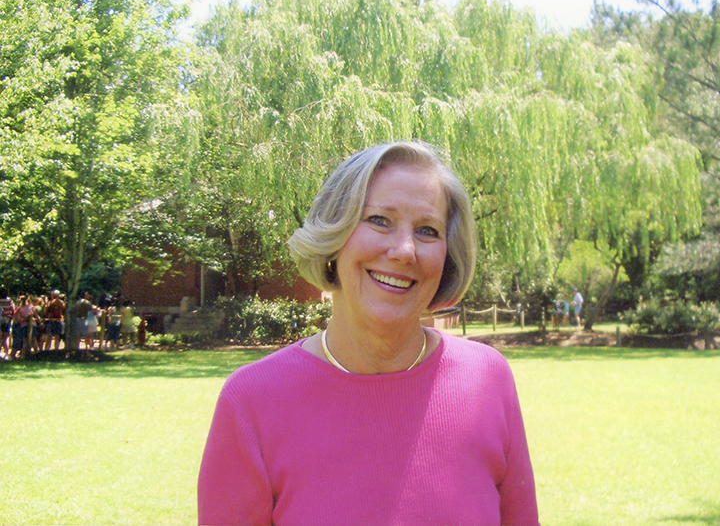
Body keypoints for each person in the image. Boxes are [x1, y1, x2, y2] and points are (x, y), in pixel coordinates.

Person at [198, 142, 540, 526]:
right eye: (379, 220)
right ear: (335, 234)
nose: (404, 250)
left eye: (427, 230)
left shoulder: (488, 379)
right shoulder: (252, 401)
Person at [0, 288, 14, 358]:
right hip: (7, 319)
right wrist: (11, 317)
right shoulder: (9, 301)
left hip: (0, 319)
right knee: (6, 338)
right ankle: (7, 353)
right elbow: (13, 310)